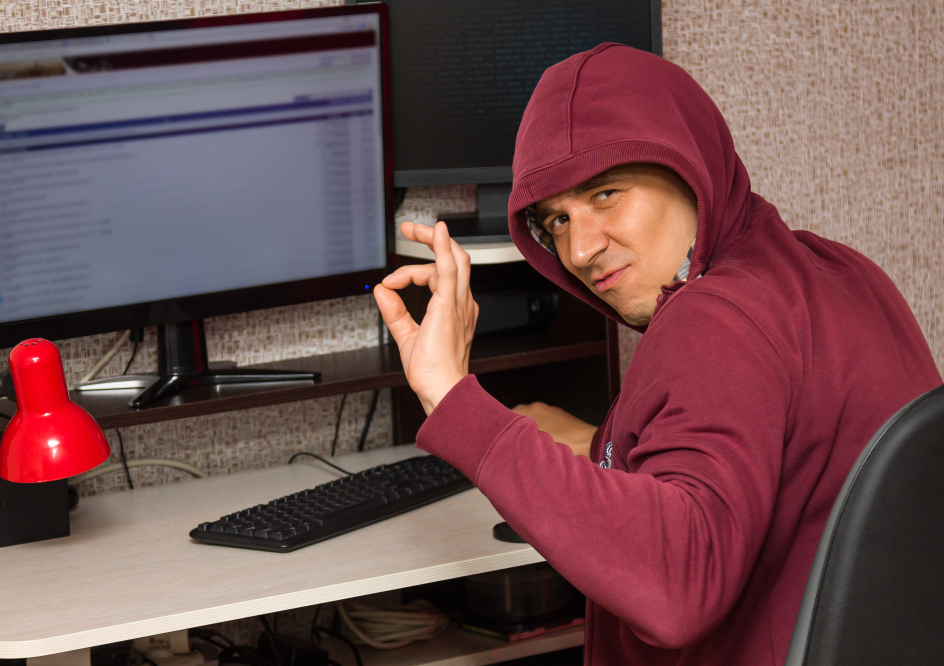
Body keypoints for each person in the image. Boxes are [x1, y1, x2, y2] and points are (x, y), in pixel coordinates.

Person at [373, 44, 941, 666]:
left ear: (688, 167)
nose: (580, 249)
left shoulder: (711, 320)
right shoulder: (842, 272)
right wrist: (601, 447)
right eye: (556, 221)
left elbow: (676, 589)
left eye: (605, 194)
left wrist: (451, 397)